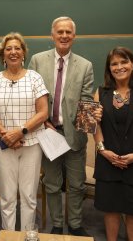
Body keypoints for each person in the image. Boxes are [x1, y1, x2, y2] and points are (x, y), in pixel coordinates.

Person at [28, 16, 94, 236]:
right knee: (53, 183)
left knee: (77, 184)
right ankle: (57, 223)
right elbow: (31, 95)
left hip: (74, 134)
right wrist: (42, 121)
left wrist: (83, 125)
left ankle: (75, 224)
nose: (64, 36)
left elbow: (86, 101)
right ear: (52, 35)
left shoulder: (85, 65)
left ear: (74, 36)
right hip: (48, 132)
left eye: (68, 32)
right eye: (60, 32)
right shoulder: (37, 60)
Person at [0, 32, 49, 230]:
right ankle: (9, 235)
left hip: (31, 144)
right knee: (7, 197)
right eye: (8, 49)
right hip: (3, 145)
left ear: (23, 53)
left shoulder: (35, 78)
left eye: (17, 48)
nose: (13, 52)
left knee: (28, 196)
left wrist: (20, 132)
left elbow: (43, 112)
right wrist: (6, 135)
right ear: (3, 54)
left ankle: (28, 235)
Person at [93, 47, 133, 241]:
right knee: (110, 209)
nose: (119, 67)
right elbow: (94, 126)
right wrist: (103, 151)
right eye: (114, 63)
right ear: (109, 68)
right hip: (108, 160)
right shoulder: (101, 92)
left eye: (124, 62)